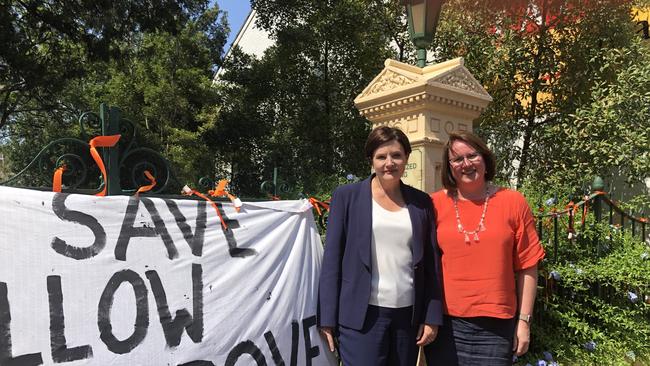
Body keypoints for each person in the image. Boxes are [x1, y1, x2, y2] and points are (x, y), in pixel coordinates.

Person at [318, 126, 443, 366]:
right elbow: (332, 259)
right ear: (371, 160)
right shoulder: (347, 197)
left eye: (396, 155)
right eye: (381, 156)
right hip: (361, 318)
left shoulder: (421, 202)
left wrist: (432, 316)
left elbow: (431, 264)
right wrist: (327, 318)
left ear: (406, 157)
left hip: (407, 318)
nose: (390, 163)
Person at [424, 131, 545, 365]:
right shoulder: (434, 205)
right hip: (446, 325)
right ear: (449, 167)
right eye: (457, 159)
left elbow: (528, 266)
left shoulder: (513, 202)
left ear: (485, 158)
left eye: (472, 155)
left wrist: (524, 322)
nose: (466, 164)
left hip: (496, 326)